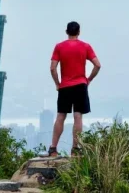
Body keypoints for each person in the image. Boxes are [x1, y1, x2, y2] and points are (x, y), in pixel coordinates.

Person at [48, 21, 101, 157]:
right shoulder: (85, 46)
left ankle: (53, 149)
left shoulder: (59, 47)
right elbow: (98, 65)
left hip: (65, 86)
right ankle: (75, 150)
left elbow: (53, 68)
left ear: (67, 32)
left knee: (61, 116)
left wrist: (57, 83)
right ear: (79, 32)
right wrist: (89, 79)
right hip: (80, 86)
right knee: (78, 116)